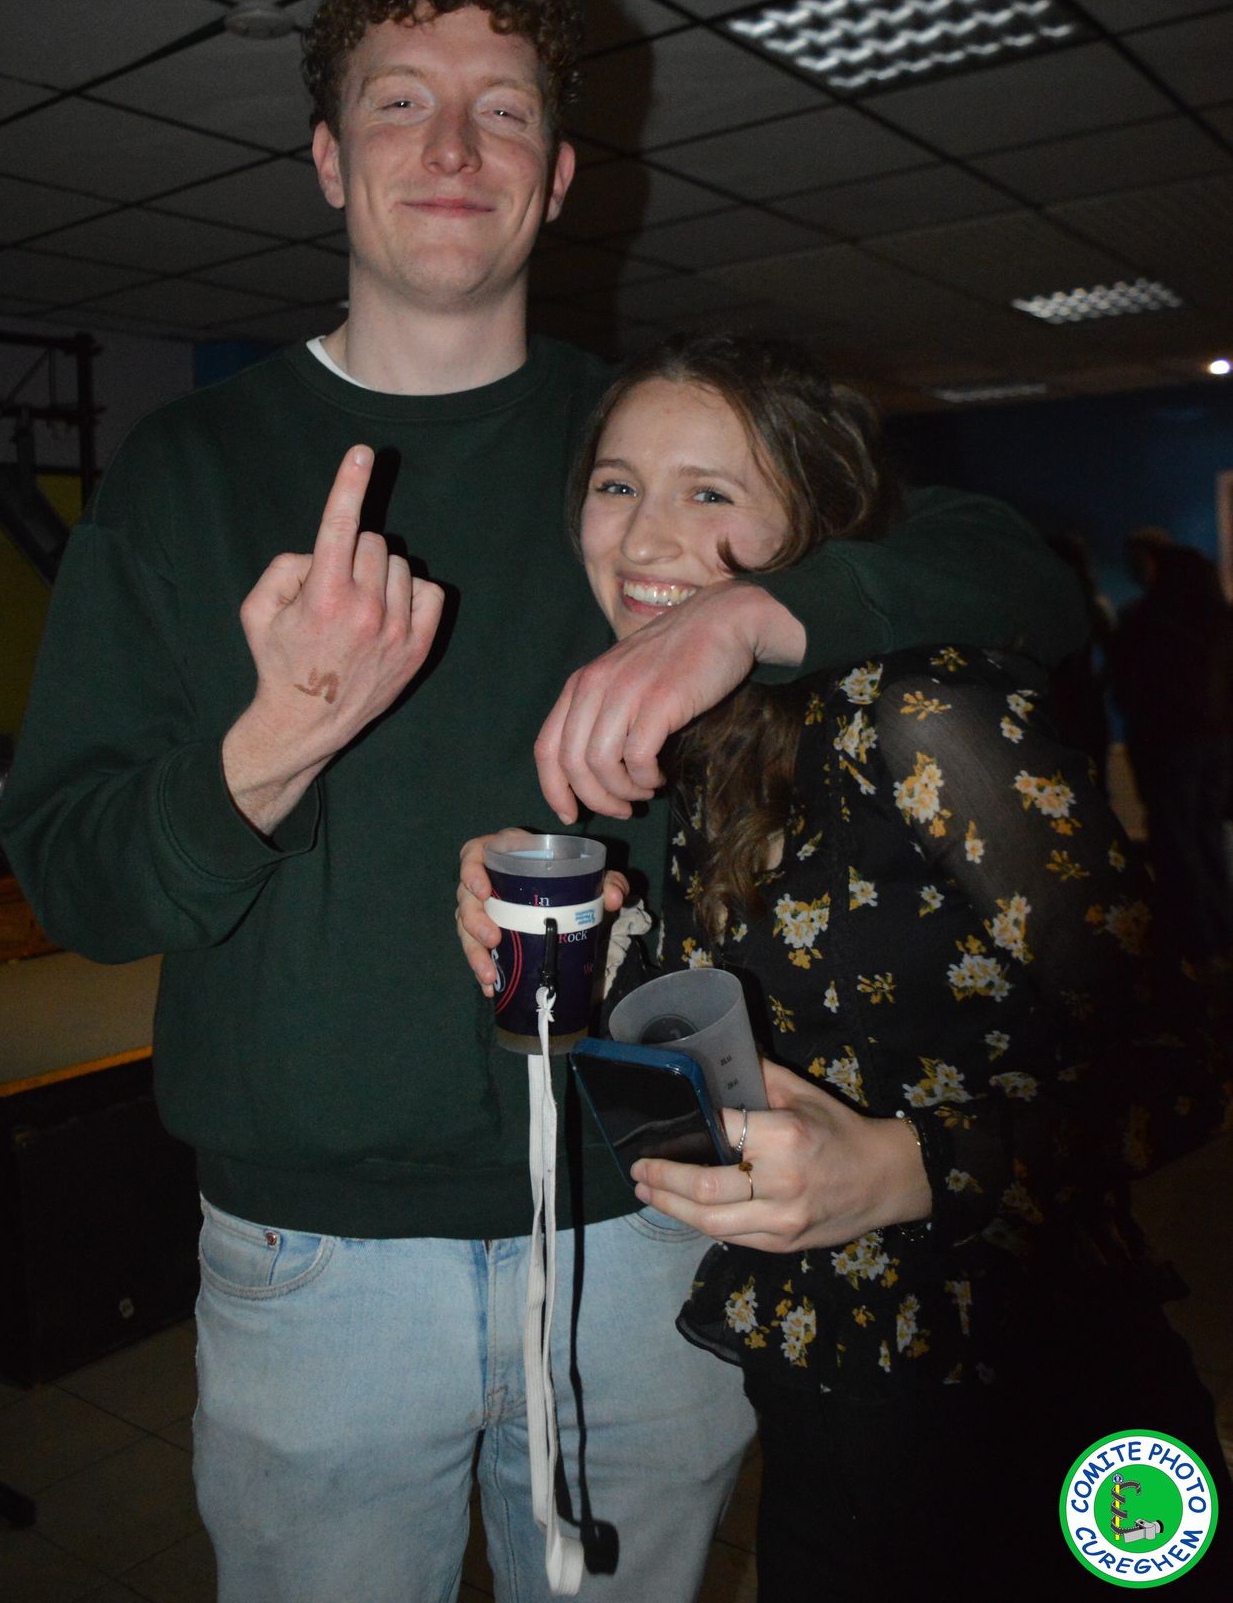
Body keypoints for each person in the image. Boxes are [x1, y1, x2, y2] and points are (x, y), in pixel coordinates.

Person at [0, 0, 1089, 1603]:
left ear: (560, 174)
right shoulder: (184, 468)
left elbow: (1016, 574)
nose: (452, 148)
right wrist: (276, 740)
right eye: (398, 102)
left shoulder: (645, 448)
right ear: (327, 160)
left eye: (501, 110)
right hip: (313, 1262)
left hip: (642, 1225)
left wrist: (746, 616)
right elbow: (77, 884)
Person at [460, 333, 1233, 1601]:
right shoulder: (706, 746)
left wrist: (903, 1168)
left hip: (1043, 1390)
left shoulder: (924, 708)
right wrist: (572, 950)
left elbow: (1182, 1063)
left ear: (812, 525)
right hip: (827, 1404)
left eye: (711, 491)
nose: (646, 536)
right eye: (616, 485)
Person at [1111, 541, 1233, 979]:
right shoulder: (1220, 618)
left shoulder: (1147, 619)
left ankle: (1198, 945)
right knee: (1208, 836)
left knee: (1177, 841)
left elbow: (1127, 684)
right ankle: (1221, 934)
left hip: (1167, 744)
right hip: (1218, 741)